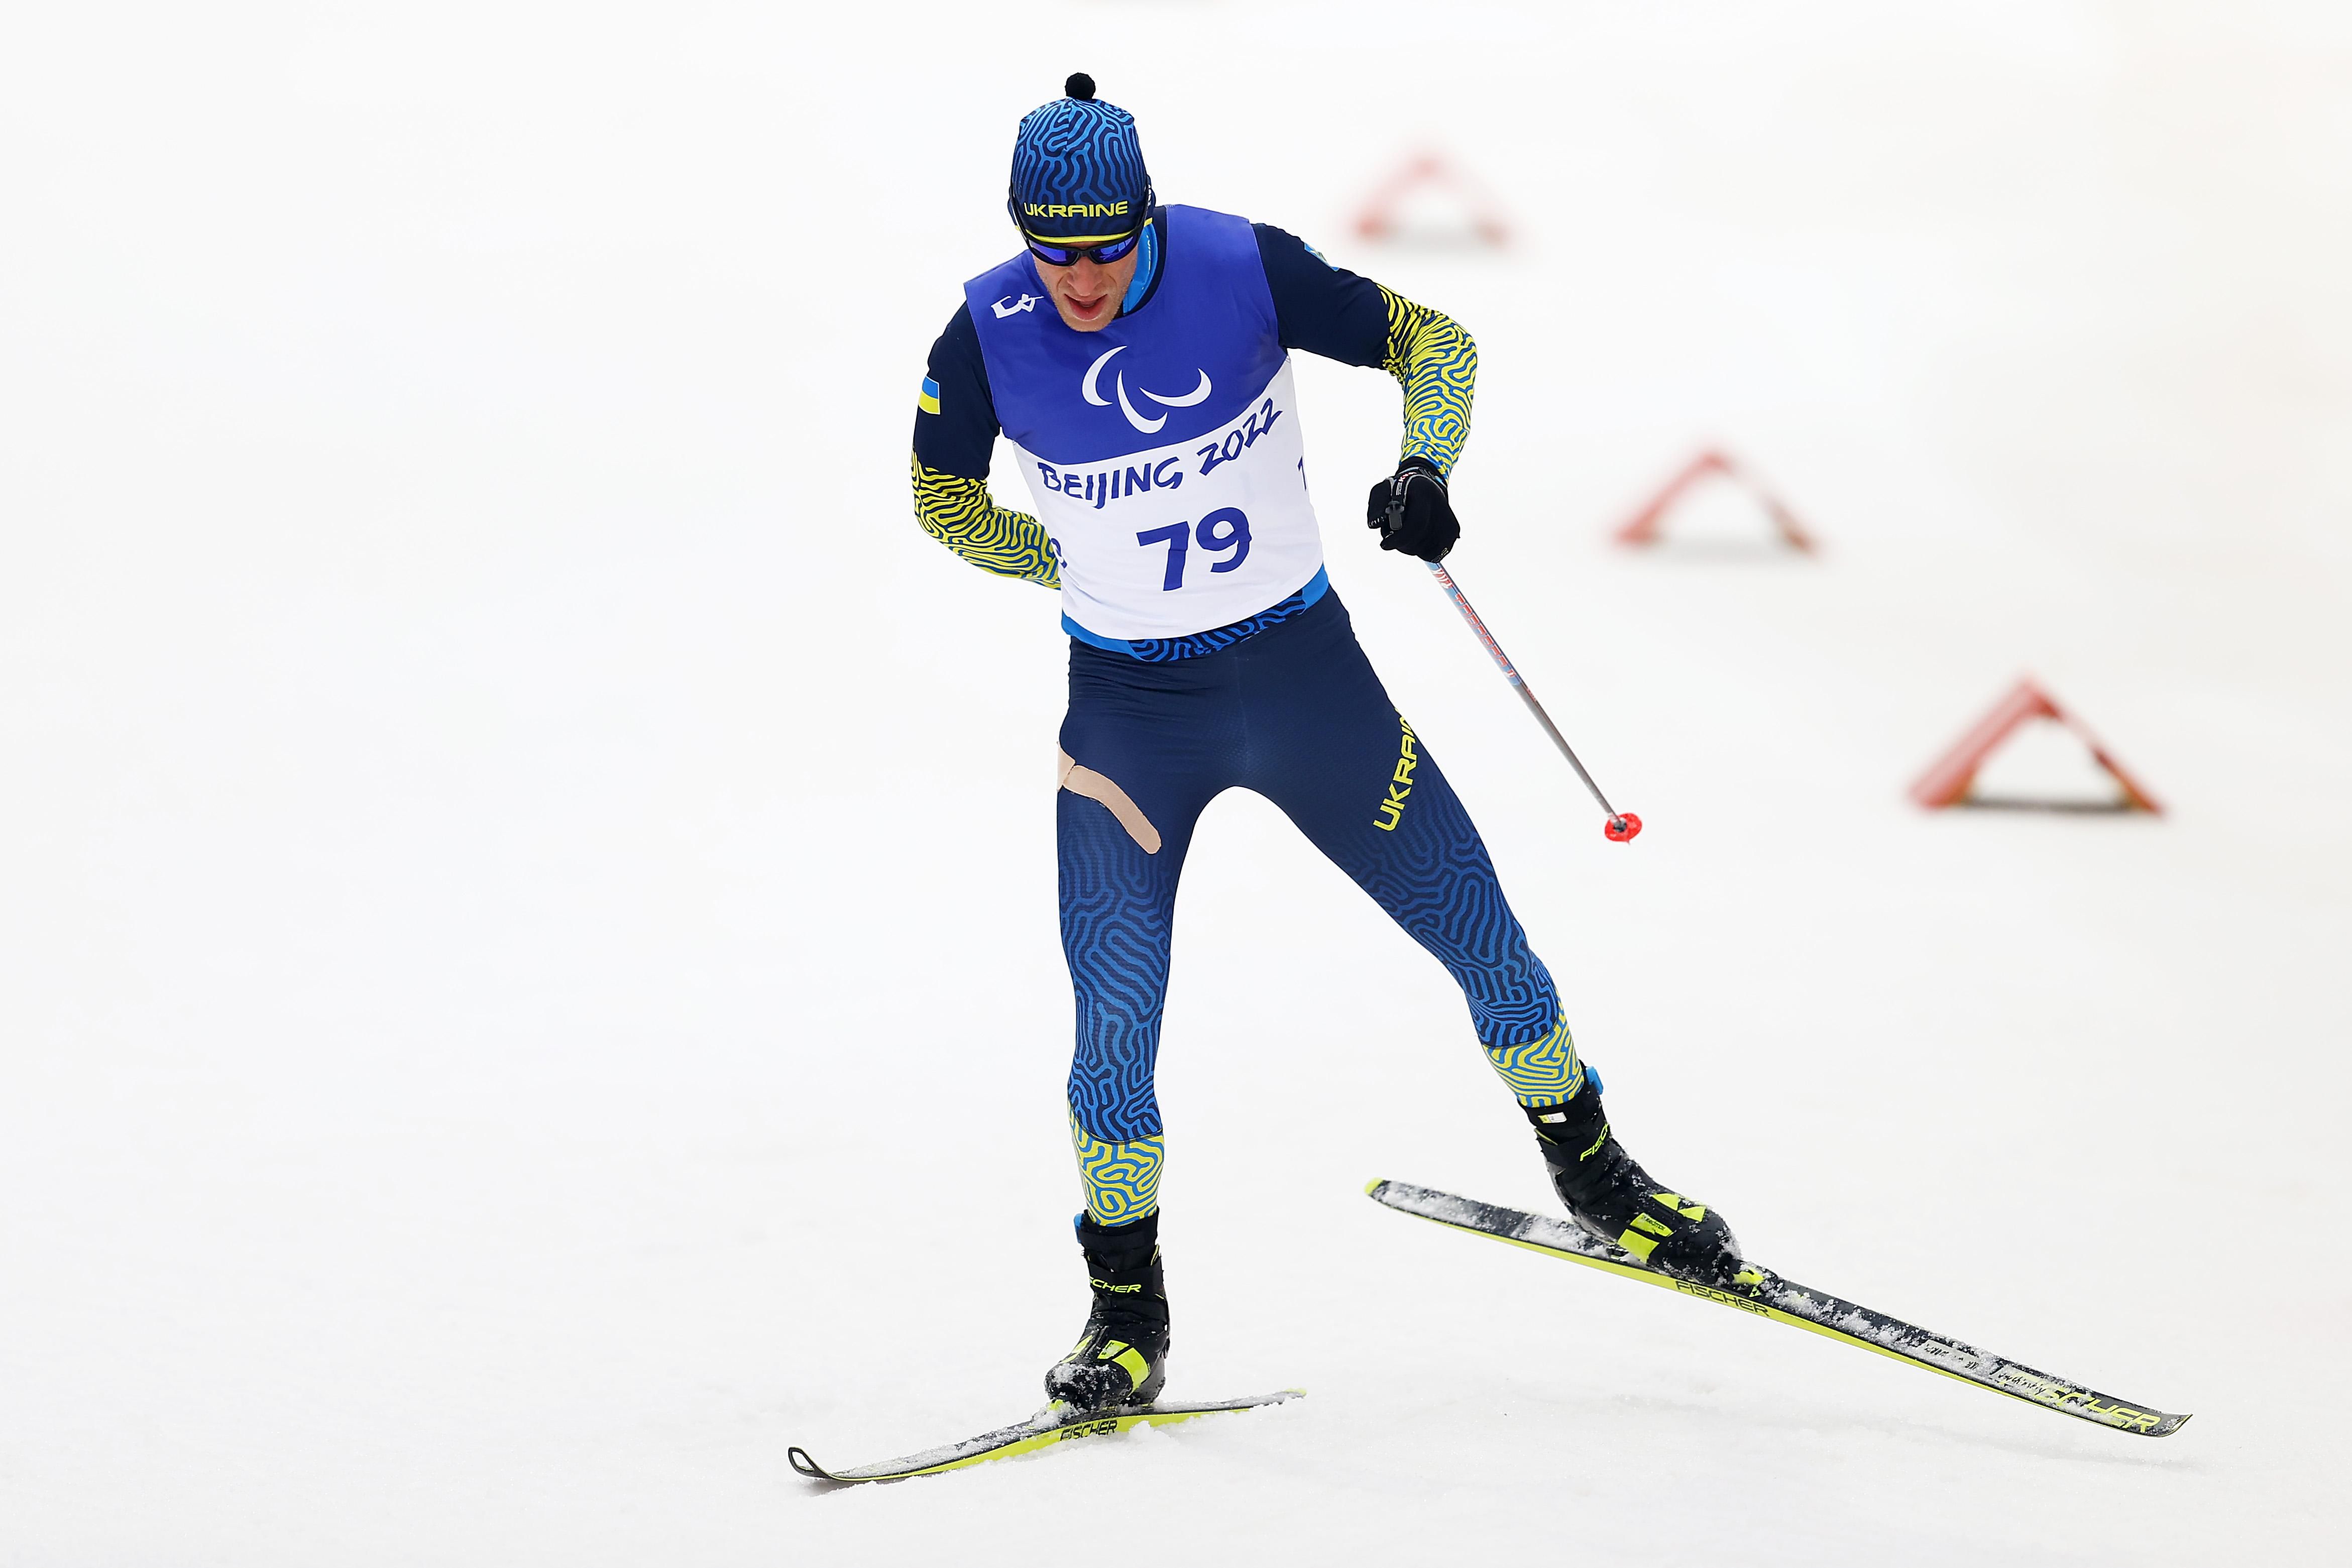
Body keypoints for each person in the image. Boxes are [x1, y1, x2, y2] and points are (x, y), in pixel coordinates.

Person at [910, 75, 1740, 1413]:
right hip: (1129, 723)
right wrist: (1066, 561)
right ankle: (1126, 1313)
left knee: (1484, 937)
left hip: (1305, 682)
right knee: (1113, 1021)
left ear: (1146, 218)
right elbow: (940, 501)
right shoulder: (984, 331)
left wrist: (1425, 469)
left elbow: (1435, 343)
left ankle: (1596, 1174)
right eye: (1052, 253)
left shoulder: (1239, 265)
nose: (1081, 280)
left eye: (1106, 248)